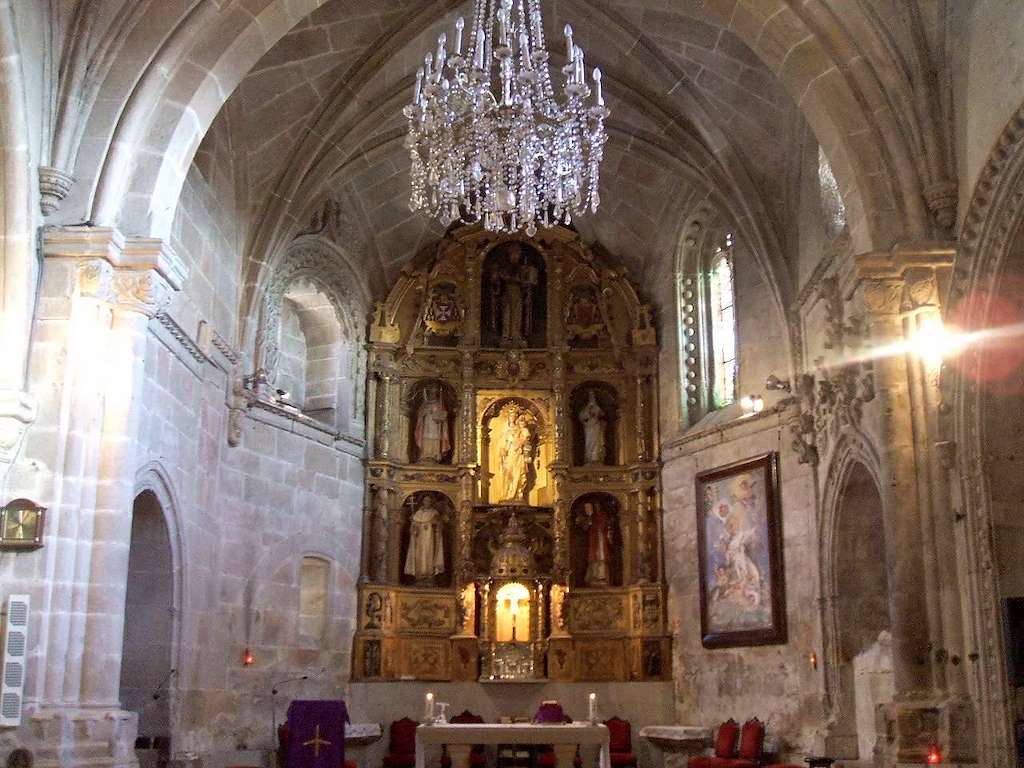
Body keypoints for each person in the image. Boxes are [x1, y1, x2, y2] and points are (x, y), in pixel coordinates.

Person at [404, 495, 445, 581]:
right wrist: (414, 526)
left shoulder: (434, 513)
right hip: (419, 538)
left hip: (430, 538)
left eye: (429, 500)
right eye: (425, 500)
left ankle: (430, 575)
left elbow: (439, 525)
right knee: (419, 554)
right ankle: (419, 575)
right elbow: (413, 527)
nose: (427, 502)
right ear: (422, 501)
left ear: (431, 502)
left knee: (428, 554)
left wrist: (434, 524)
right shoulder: (418, 513)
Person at [415, 387, 450, 463]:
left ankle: (435, 455)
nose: (432, 395)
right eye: (431, 393)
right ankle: (425, 455)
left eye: (434, 393)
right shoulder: (425, 404)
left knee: (436, 439)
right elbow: (419, 414)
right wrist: (425, 412)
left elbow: (443, 415)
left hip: (436, 426)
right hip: (426, 426)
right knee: (425, 439)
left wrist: (438, 415)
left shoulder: (439, 404)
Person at [583, 501, 613, 586]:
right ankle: (594, 577)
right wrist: (589, 519)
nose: (597, 507)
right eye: (595, 506)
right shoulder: (592, 516)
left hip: (601, 538)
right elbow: (586, 527)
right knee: (594, 558)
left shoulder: (603, 515)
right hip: (594, 539)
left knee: (602, 557)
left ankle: (602, 577)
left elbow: (606, 525)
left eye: (598, 506)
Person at [578, 390, 606, 464]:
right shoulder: (585, 409)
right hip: (589, 428)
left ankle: (596, 458)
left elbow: (603, 415)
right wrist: (588, 413)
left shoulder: (597, 408)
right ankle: (589, 458)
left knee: (597, 443)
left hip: (596, 426)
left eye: (593, 397)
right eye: (590, 397)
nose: (592, 398)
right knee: (589, 443)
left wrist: (597, 416)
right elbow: (581, 417)